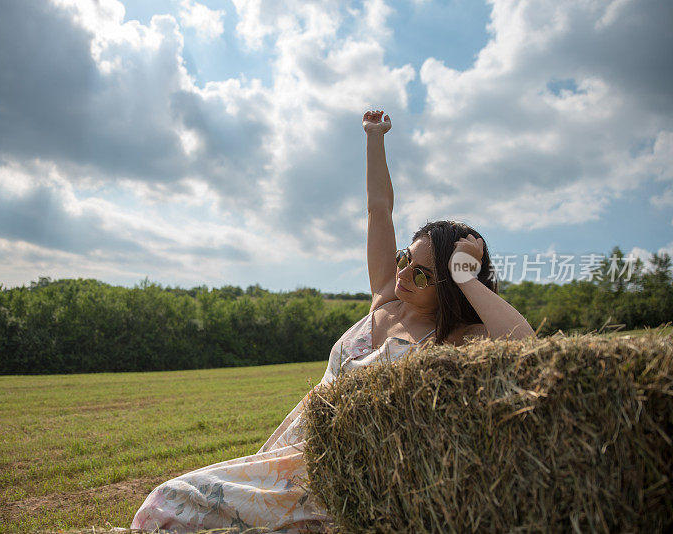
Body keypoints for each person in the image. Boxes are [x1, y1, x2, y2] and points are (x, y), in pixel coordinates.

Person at [129, 110, 535, 532]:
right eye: (403, 259)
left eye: (420, 274)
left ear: (449, 286)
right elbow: (379, 209)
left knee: (170, 507)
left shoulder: (452, 339)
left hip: (349, 484)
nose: (401, 275)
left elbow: (523, 344)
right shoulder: (384, 298)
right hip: (296, 456)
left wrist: (467, 278)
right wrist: (374, 137)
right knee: (165, 504)